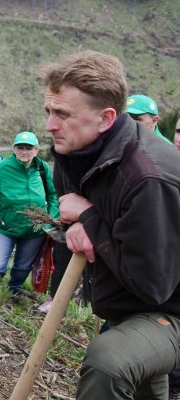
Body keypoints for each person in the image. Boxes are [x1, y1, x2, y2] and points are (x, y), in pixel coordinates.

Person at [42, 50, 180, 399]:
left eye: (62, 113)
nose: (49, 125)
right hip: (126, 307)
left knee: (109, 362)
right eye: (48, 111)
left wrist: (89, 218)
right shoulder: (73, 149)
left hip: (167, 308)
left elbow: (153, 285)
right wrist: (78, 222)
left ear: (105, 118)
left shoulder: (148, 179)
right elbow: (71, 210)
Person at [0, 132, 59, 294]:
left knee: (23, 267)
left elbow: (53, 195)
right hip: (4, 227)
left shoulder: (42, 168)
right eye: (20, 148)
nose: (24, 151)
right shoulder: (1, 167)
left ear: (36, 150)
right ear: (14, 149)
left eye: (28, 148)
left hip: (34, 230)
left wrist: (51, 219)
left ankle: (14, 290)